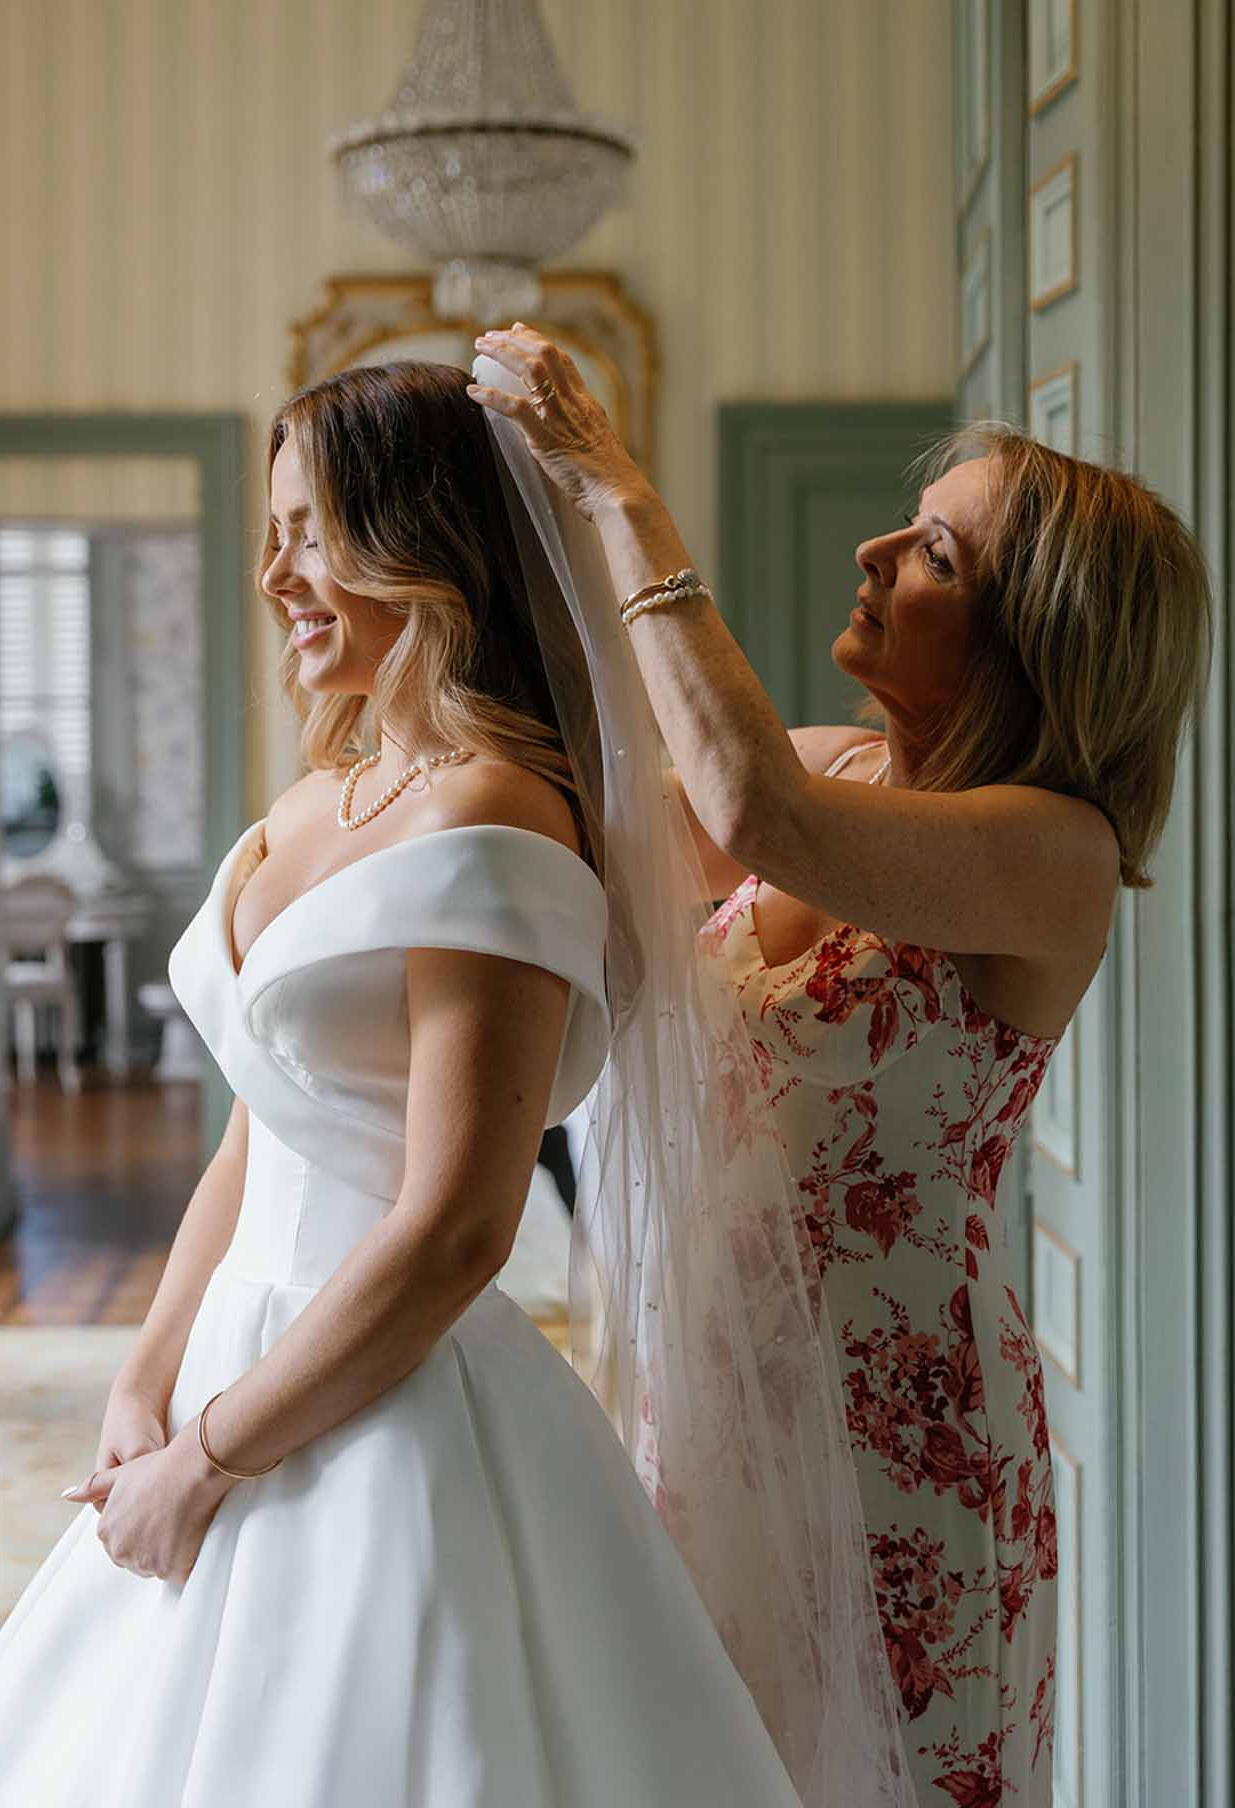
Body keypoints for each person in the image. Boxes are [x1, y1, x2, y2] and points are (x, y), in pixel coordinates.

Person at [0, 360, 897, 1807]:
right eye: (272, 532)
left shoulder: (498, 810)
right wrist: (143, 1378)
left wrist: (211, 1464)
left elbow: (454, 1230)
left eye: (309, 531)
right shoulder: (322, 794)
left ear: (423, 546)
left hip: (386, 1397)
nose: (273, 573)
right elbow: (261, 1130)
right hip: (234, 1361)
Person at [469, 326, 1212, 1808]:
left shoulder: (1049, 853)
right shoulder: (840, 766)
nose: (875, 550)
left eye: (933, 551)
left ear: (1032, 632)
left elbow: (751, 812)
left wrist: (620, 493)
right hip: (708, 1410)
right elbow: (589, 818)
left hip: (901, 1455)